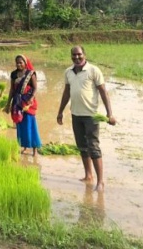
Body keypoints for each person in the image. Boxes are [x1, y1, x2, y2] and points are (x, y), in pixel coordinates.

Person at [57, 46, 117, 192]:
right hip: (76, 115)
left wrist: (110, 114)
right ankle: (88, 175)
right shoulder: (68, 72)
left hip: (91, 116)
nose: (76, 57)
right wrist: (60, 111)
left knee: (93, 147)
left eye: (79, 55)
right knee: (82, 146)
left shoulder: (93, 70)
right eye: (74, 55)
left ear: (84, 55)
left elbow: (103, 92)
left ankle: (100, 182)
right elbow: (67, 93)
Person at [5, 54, 42, 155]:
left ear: (25, 63)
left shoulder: (31, 74)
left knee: (31, 125)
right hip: (17, 103)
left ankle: (35, 149)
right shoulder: (13, 74)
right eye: (17, 62)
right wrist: (8, 104)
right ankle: (25, 147)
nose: (18, 64)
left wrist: (30, 100)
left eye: (21, 62)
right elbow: (12, 89)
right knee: (20, 126)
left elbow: (35, 88)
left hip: (28, 103)